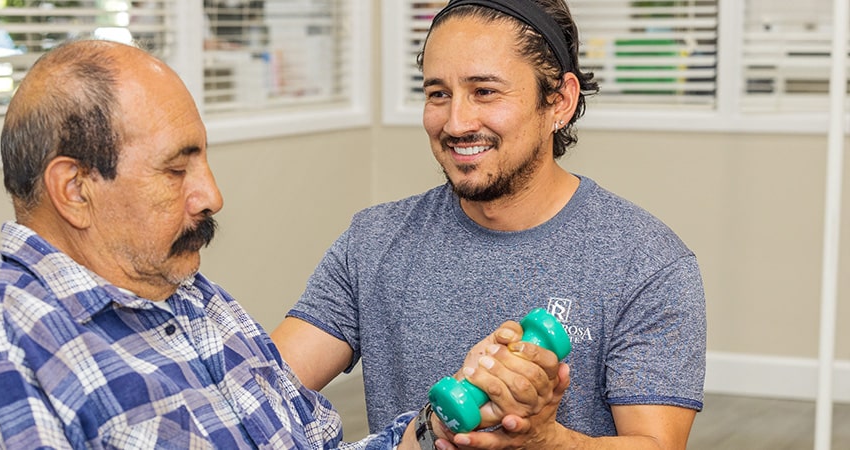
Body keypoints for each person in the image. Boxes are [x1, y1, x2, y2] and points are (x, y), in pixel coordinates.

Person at [0, 39, 440, 449]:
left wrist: (438, 427)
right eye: (176, 170)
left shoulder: (194, 298)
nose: (212, 196)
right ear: (75, 190)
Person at [272, 0, 707, 448]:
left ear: (559, 101)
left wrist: (547, 442)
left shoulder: (648, 262)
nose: (456, 122)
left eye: (485, 92)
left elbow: (656, 444)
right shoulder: (373, 242)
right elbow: (260, 394)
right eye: (439, 93)